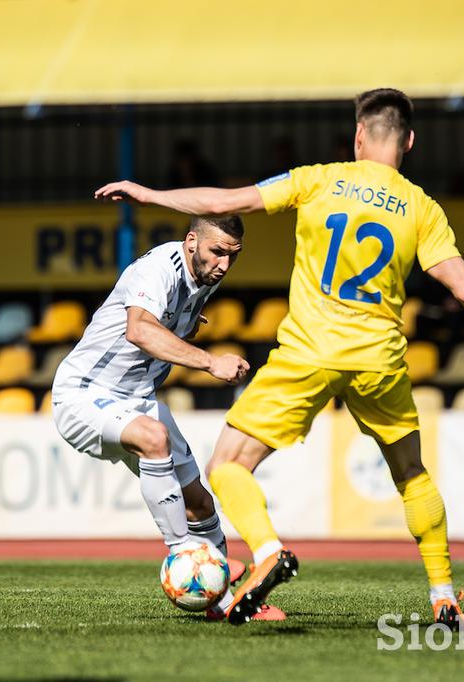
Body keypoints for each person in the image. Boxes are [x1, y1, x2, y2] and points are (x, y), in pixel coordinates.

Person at [95, 88, 464, 627]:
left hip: (309, 351)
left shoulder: (318, 178)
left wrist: (147, 193)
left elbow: (219, 205)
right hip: (379, 358)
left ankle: (268, 550)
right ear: (409, 141)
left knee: (228, 465)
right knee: (412, 474)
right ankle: (443, 596)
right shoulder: (422, 209)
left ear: (358, 136)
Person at [52, 216, 281, 622]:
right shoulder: (157, 269)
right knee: (153, 436)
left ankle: (226, 604)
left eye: (233, 256)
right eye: (217, 252)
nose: (224, 265)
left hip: (137, 398)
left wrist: (186, 327)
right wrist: (211, 362)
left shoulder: (207, 276)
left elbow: (167, 326)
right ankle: (186, 558)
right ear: (191, 242)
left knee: (199, 503)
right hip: (83, 393)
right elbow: (139, 330)